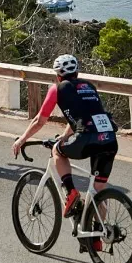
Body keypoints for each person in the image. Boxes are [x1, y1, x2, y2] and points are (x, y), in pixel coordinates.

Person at [12, 54, 118, 249]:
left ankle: (70, 192)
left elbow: (39, 120)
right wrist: (64, 136)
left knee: (57, 151)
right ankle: (95, 239)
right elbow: (81, 117)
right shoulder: (88, 86)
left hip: (87, 138)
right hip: (109, 140)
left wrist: (22, 139)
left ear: (57, 75)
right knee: (97, 193)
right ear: (77, 72)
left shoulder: (57, 89)